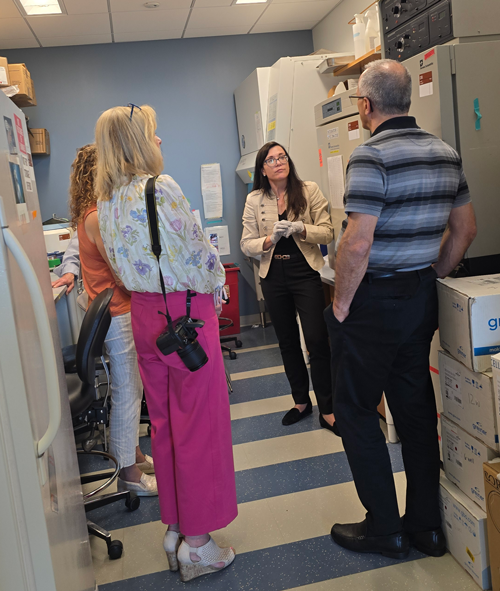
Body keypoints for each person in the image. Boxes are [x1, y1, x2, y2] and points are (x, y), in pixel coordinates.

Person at [325, 60, 477, 559]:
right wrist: (432, 273)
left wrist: (342, 305)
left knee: (355, 410)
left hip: (372, 303)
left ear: (366, 105)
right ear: (407, 99)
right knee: (414, 411)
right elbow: (465, 230)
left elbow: (357, 242)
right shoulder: (445, 153)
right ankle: (427, 527)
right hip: (418, 300)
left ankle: (385, 528)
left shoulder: (370, 157)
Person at [94, 104, 237, 582]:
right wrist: (216, 285)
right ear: (138, 142)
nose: (160, 142)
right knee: (199, 423)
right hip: (183, 312)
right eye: (153, 134)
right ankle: (197, 545)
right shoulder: (162, 188)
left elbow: (120, 267)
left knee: (166, 426)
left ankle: (177, 526)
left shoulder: (106, 202)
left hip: (143, 314)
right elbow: (199, 253)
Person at [68, 144, 158, 496]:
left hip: (117, 313)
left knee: (129, 391)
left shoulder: (89, 213)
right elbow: (121, 274)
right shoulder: (95, 216)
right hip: (119, 315)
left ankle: (131, 452)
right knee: (128, 394)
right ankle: (130, 475)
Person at [241, 142, 336, 432]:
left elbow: (328, 230)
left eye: (282, 156)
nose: (279, 162)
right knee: (287, 342)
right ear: (262, 169)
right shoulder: (255, 200)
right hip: (273, 274)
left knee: (317, 340)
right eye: (271, 159)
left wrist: (301, 228)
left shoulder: (308, 190)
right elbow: (247, 244)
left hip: (305, 271)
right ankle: (301, 402)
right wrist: (270, 239)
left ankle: (328, 409)